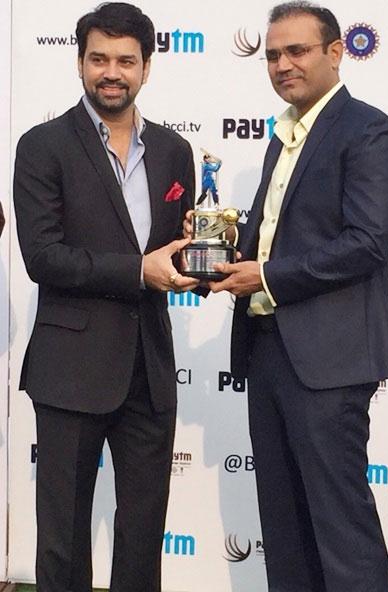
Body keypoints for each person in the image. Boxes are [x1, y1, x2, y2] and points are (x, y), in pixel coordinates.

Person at [198, 1, 388, 589]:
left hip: (329, 362)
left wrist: (264, 277)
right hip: (268, 352)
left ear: (336, 53)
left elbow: (368, 242)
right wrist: (225, 252)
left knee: (341, 530)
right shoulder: (282, 137)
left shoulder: (369, 129)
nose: (282, 64)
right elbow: (287, 238)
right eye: (272, 55)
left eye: (297, 51)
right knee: (284, 526)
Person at [13, 3, 198, 591]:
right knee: (63, 540)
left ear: (147, 67)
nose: (111, 72)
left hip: (149, 367)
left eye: (125, 60)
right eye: (99, 59)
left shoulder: (174, 152)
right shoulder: (42, 145)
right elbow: (43, 257)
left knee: (144, 535)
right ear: (79, 63)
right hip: (70, 369)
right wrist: (140, 272)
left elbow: (175, 247)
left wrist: (204, 258)